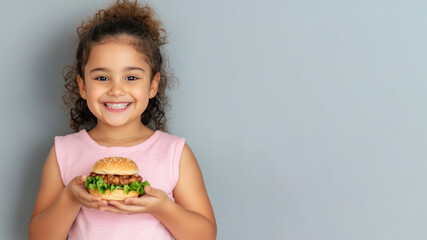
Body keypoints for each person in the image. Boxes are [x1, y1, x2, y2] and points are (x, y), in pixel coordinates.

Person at [28, 1, 217, 239]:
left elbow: (206, 235)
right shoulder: (63, 152)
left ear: (153, 85)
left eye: (131, 77)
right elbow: (38, 236)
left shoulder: (175, 153)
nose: (116, 90)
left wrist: (163, 208)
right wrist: (70, 198)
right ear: (83, 86)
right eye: (102, 77)